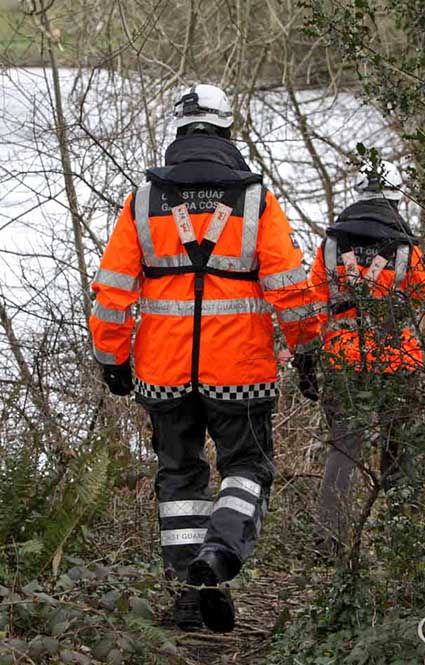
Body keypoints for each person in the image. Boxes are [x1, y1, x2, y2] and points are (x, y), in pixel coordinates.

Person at [88, 84, 321, 632]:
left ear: (179, 129)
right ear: (226, 129)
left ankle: (187, 592)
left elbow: (113, 291)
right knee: (248, 468)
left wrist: (112, 358)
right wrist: (307, 349)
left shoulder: (143, 200)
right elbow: (288, 287)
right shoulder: (254, 199)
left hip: (162, 369)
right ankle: (217, 559)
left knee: (179, 477)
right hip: (239, 367)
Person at [305, 160, 425, 549]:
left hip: (343, 358)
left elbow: (315, 303)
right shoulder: (407, 249)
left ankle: (329, 537)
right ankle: (404, 537)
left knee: (344, 447)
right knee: (399, 448)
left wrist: (310, 359)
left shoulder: (330, 245)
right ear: (396, 199)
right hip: (396, 361)